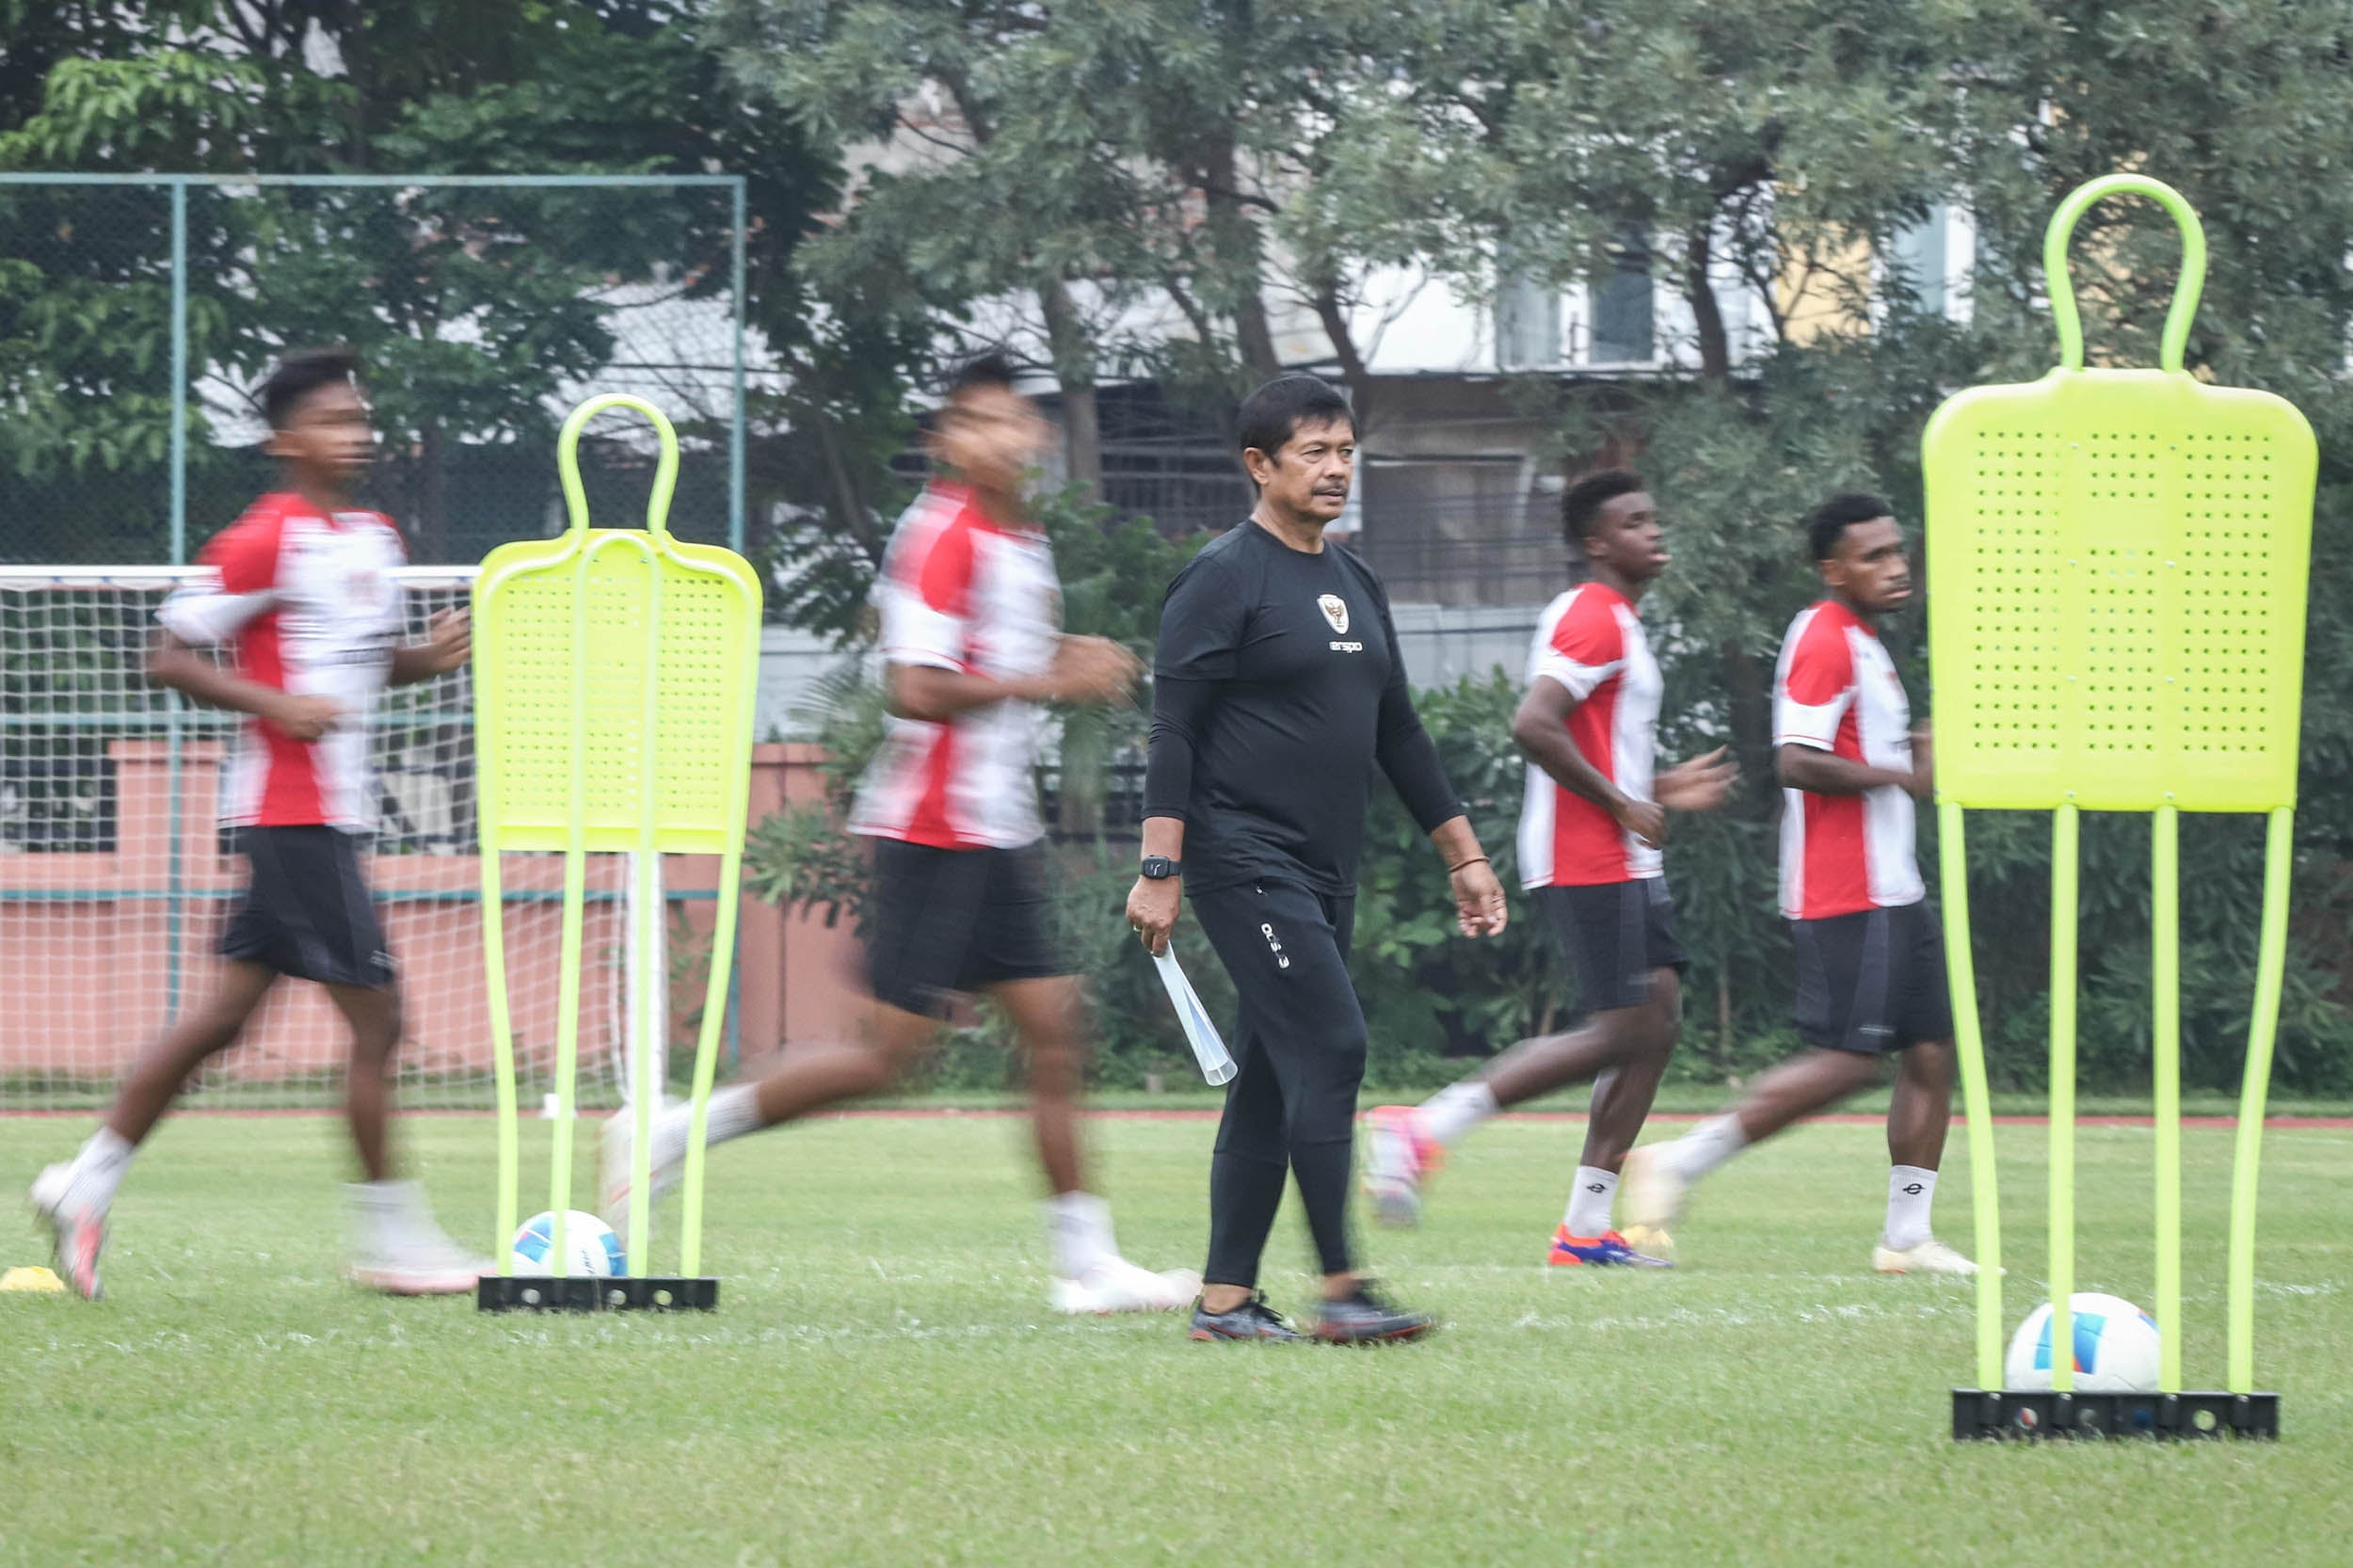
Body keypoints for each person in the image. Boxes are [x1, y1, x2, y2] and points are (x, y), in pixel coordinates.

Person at [598, 354, 1195, 1315]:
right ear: (946, 439)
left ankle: (1086, 1265)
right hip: (932, 829)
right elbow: (913, 686)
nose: (1009, 438)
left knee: (1054, 1032)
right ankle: (674, 1130)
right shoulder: (938, 535)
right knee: (889, 1056)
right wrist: (1048, 679)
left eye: (1019, 422)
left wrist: (1061, 653)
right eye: (984, 423)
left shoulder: (1016, 535)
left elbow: (992, 658)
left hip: (993, 829)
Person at [27, 346, 485, 1299]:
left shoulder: (374, 536)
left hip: (333, 813)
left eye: (360, 419)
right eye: (333, 420)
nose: (354, 434)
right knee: (381, 1017)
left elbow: (356, 661)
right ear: (285, 440)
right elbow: (169, 655)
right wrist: (277, 708)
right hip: (291, 813)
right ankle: (394, 1242)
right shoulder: (262, 535)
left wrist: (420, 661)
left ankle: (83, 1180)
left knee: (222, 1017)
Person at [1128, 373, 1510, 1345]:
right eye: (1315, 451)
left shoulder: (1353, 579)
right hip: (1239, 857)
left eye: (1345, 450)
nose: (1336, 468)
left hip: (1320, 867)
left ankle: (1224, 1301)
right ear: (1259, 465)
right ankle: (1342, 1286)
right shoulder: (1222, 574)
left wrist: (1462, 854)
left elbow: (1400, 732)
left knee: (1270, 1071)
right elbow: (1174, 730)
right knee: (1332, 1044)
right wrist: (1159, 868)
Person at [1360, 472, 1733, 1264]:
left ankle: (1586, 1228)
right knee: (1626, 1027)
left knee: (1656, 1024)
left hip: (1619, 848)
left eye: (1653, 515)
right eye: (1633, 521)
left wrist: (1652, 791)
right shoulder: (1594, 614)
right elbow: (1533, 724)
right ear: (1596, 543)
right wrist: (1623, 805)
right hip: (1589, 854)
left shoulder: (1618, 620)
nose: (1652, 531)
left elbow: (1587, 743)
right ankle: (1422, 1128)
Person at [1620, 493, 1977, 1274]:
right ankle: (1679, 1161)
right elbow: (1796, 759)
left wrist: (1905, 759)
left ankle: (1907, 1237)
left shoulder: (1866, 641)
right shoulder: (1823, 635)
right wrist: (1906, 773)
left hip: (1896, 887)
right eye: (1873, 555)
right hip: (1846, 888)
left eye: (1896, 549)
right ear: (1832, 569)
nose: (1895, 564)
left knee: (1930, 1053)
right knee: (1850, 1059)